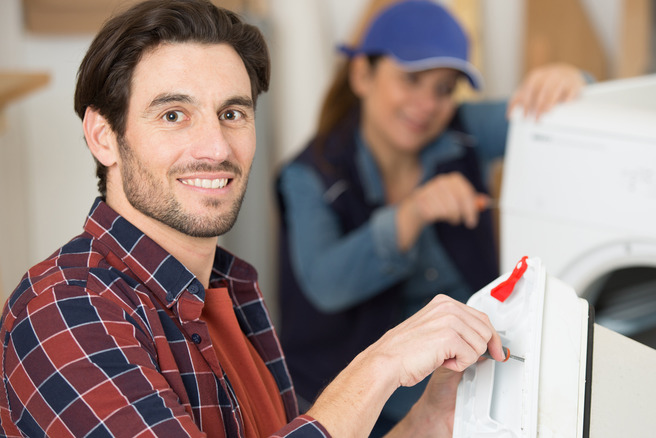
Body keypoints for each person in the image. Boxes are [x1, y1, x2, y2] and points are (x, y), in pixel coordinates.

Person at [0, 1, 508, 436]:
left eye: (232, 113)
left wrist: (425, 422)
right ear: (103, 136)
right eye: (174, 115)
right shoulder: (65, 314)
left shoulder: (231, 292)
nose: (216, 147)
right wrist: (381, 367)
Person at [275, 0, 587, 434]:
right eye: (412, 79)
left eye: (444, 88)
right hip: (357, 394)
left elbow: (567, 119)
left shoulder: (464, 129)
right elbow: (328, 284)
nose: (427, 104)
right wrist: (414, 212)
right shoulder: (309, 174)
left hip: (467, 372)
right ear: (362, 74)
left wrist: (571, 80)